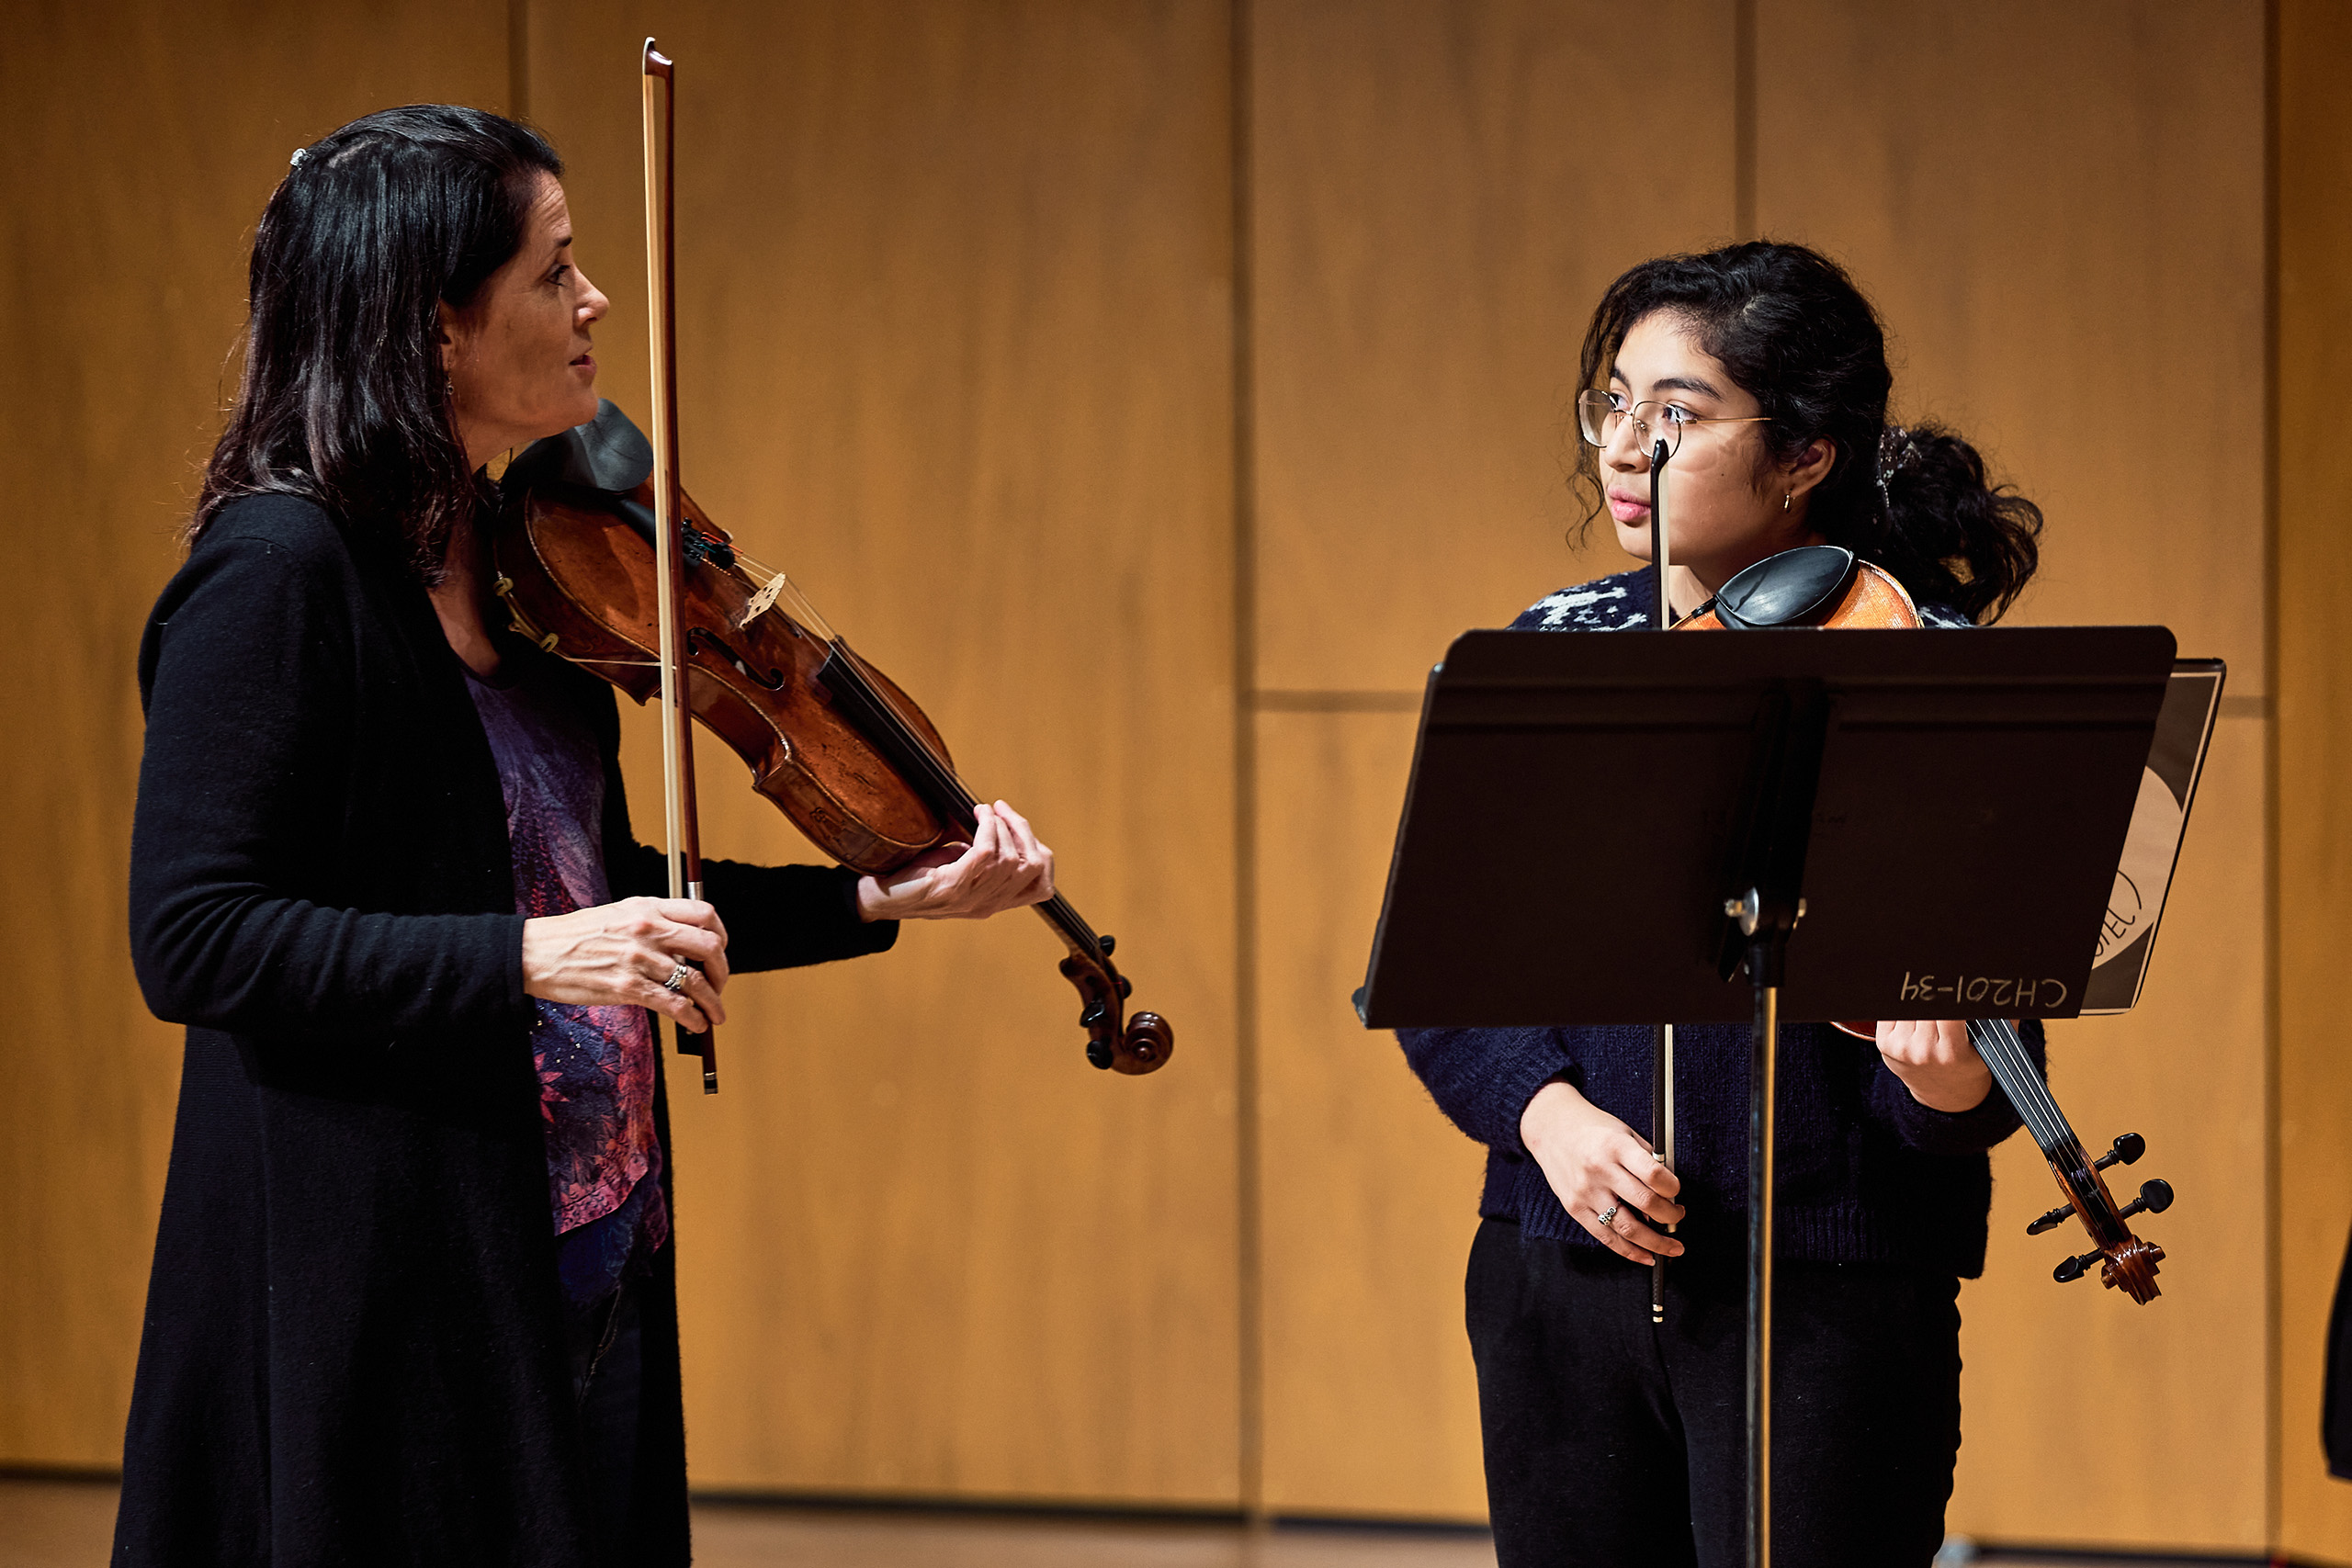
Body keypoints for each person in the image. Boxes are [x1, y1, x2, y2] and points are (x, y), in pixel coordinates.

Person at [115, 105, 1055, 1566]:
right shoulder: (275, 577)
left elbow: (597, 897)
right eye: (555, 272)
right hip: (391, 1286)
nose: (595, 300)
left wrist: (876, 897)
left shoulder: (521, 563)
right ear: (435, 325)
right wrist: (534, 957)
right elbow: (197, 937)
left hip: (588, 1249)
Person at [1399, 241, 2048, 1568]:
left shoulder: (1932, 674)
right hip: (1554, 1273)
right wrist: (1550, 1118)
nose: (1626, 449)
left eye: (1678, 416)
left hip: (1828, 1297)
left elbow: (1991, 1073)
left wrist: (1940, 1084)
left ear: (1806, 452)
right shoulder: (1547, 654)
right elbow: (1439, 971)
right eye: (1614, 404)